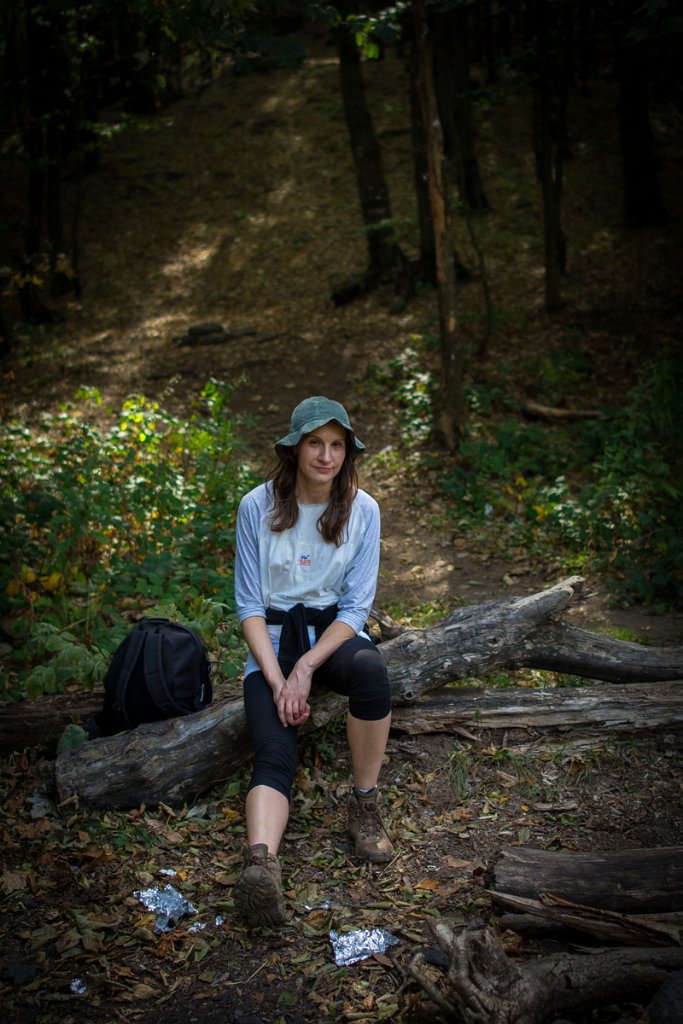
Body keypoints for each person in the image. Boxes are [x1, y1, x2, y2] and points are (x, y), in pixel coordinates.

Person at [233, 396, 393, 927]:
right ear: (295, 448)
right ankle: (261, 865)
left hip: (332, 636)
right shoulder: (257, 506)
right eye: (315, 444)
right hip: (273, 639)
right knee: (274, 749)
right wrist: (278, 678)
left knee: (371, 671)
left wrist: (305, 669)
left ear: (347, 453)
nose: (326, 456)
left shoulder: (363, 510)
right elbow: (250, 607)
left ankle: (364, 804)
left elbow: (355, 609)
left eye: (337, 445)